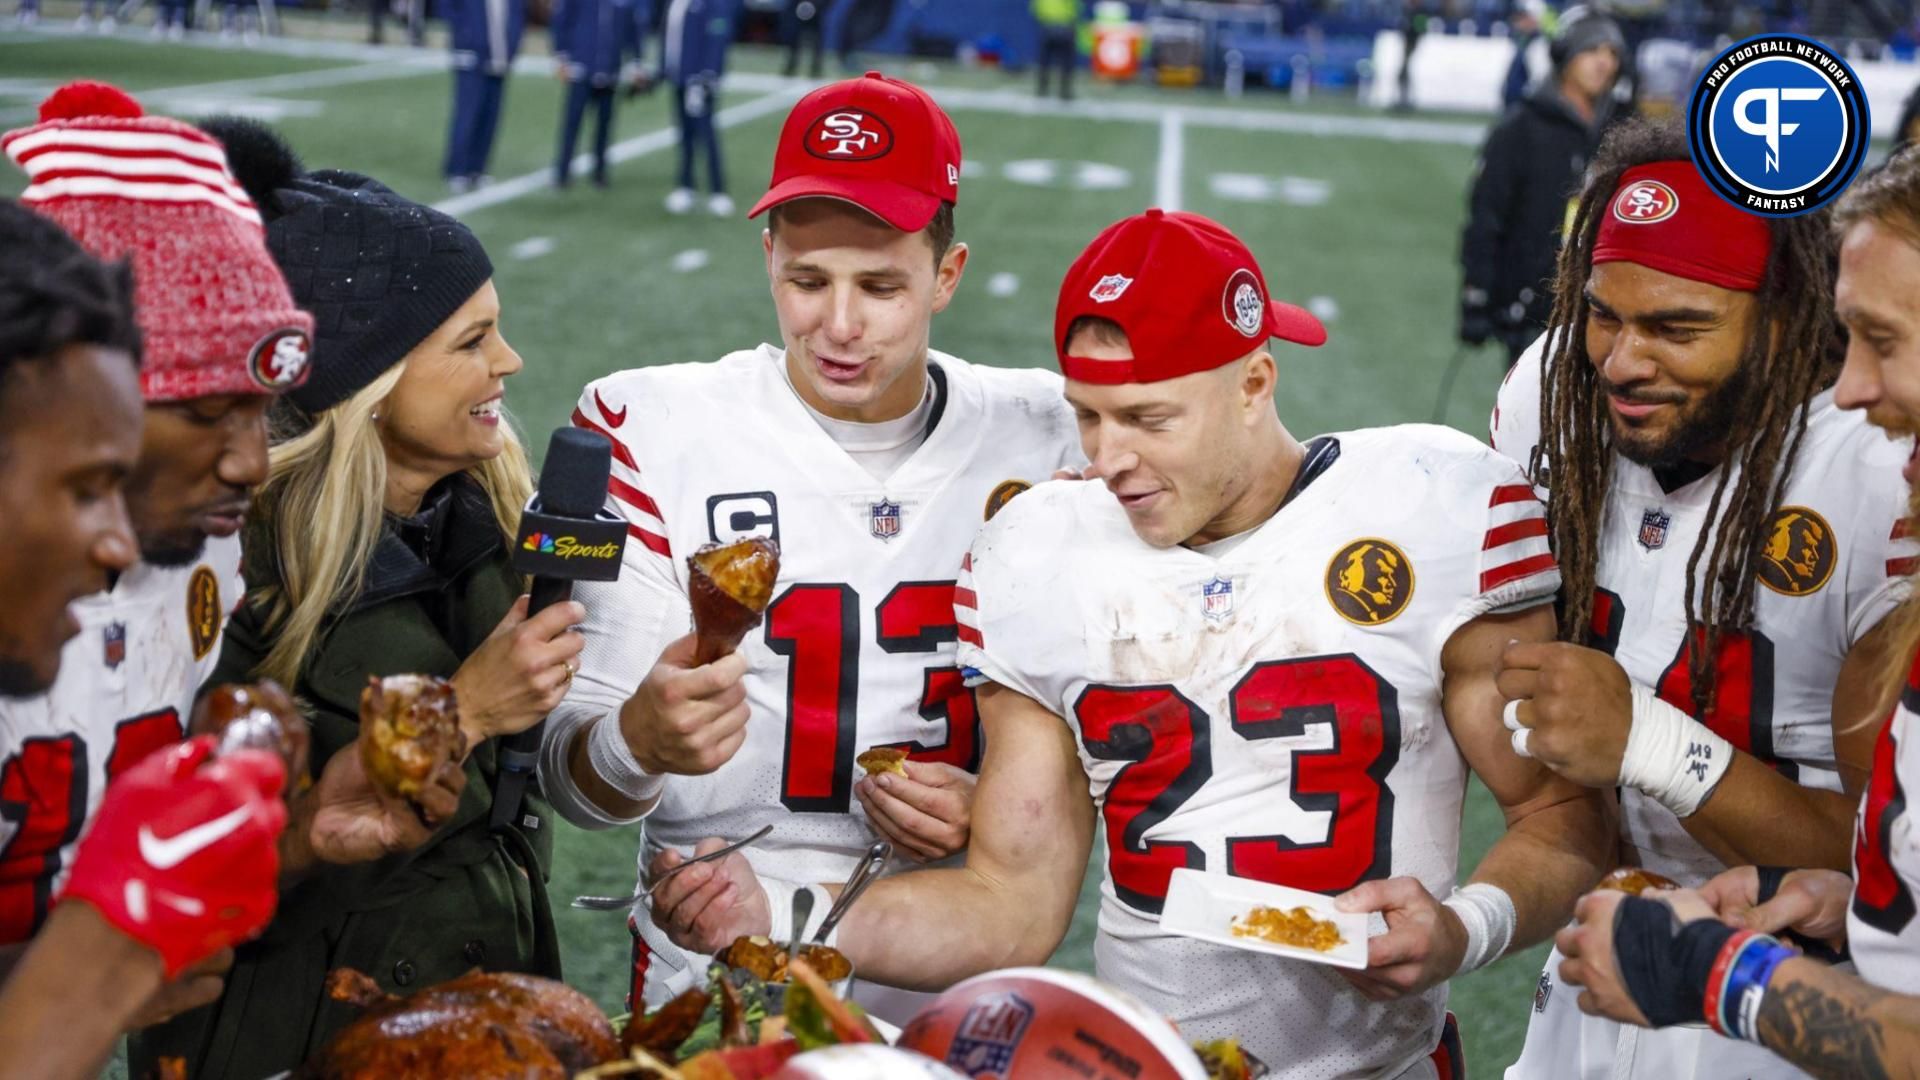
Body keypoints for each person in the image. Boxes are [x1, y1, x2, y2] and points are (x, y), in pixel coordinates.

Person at [677, 208, 1617, 1076]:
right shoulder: (1039, 551)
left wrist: (1463, 928)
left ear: (1254, 382)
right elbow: (1011, 901)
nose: (1105, 457)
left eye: (1147, 418)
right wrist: (781, 913)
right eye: (1088, 414)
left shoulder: (1432, 504)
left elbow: (1561, 817)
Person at [538, 73, 1082, 1020]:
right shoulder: (651, 424)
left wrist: (1005, 799)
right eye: (806, 280)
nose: (837, 324)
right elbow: (569, 778)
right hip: (709, 964)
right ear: (767, 259)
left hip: (954, 958)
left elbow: (1136, 733)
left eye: (880, 286)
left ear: (947, 276)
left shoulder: (1051, 436)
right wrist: (636, 741)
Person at [132, 118, 587, 1079]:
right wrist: (462, 713)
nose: (508, 363)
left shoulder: (491, 521)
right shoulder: (221, 580)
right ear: (366, 387)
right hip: (294, 1031)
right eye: (472, 341)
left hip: (490, 1000)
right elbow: (186, 892)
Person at [1492, 121, 1917, 1080]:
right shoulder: (1549, 392)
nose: (1622, 360)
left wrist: (1646, 741)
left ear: (1785, 318)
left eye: (1678, 327)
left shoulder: (1871, 463)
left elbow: (1881, 857)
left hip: (1805, 981)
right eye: (1606, 314)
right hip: (1608, 940)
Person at [0, 81, 313, 976]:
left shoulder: (199, 543)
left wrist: (311, 835)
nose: (252, 462)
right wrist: (110, 981)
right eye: (208, 409)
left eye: (264, 411)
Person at [1460, 5, 1623, 366]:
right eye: (1592, 50)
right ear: (1566, 54)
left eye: (1612, 54)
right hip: (1533, 311)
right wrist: (1476, 295)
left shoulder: (1624, 130)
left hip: (1609, 307)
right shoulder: (1520, 128)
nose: (1605, 63)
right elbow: (1487, 215)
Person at [552, 0, 652, 188]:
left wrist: (637, 62)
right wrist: (561, 56)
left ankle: (599, 172)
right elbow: (562, 19)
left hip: (610, 70)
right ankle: (562, 172)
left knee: (604, 125)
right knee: (572, 123)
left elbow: (632, 27)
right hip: (581, 68)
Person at [661, 0, 740, 216]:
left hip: (698, 81)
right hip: (679, 78)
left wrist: (708, 74)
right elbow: (670, 38)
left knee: (706, 134)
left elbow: (718, 36)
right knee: (684, 134)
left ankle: (718, 191)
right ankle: (685, 185)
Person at [443, 0, 526, 192]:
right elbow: (447, 6)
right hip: (471, 57)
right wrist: (464, 31)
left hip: (499, 57)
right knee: (467, 115)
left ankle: (477, 168)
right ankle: (457, 169)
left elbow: (517, 15)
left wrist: (513, 45)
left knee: (490, 116)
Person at [1032, 0, 1080, 101]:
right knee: (1065, 61)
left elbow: (1036, 6)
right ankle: (1064, 91)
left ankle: (1042, 89)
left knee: (1045, 60)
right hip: (1065, 24)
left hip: (1048, 24)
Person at [781, 0, 823, 78]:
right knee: (795, 38)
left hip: (817, 8)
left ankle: (816, 68)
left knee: (816, 40)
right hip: (798, 7)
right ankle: (791, 66)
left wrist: (818, 5)